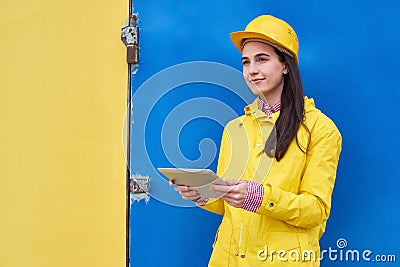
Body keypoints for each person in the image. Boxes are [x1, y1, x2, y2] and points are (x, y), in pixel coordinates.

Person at [170, 14, 342, 266]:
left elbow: (315, 211)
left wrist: (260, 198)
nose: (252, 70)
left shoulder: (320, 129)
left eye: (262, 59)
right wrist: (203, 195)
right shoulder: (234, 129)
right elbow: (228, 205)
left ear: (286, 65)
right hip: (228, 259)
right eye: (246, 62)